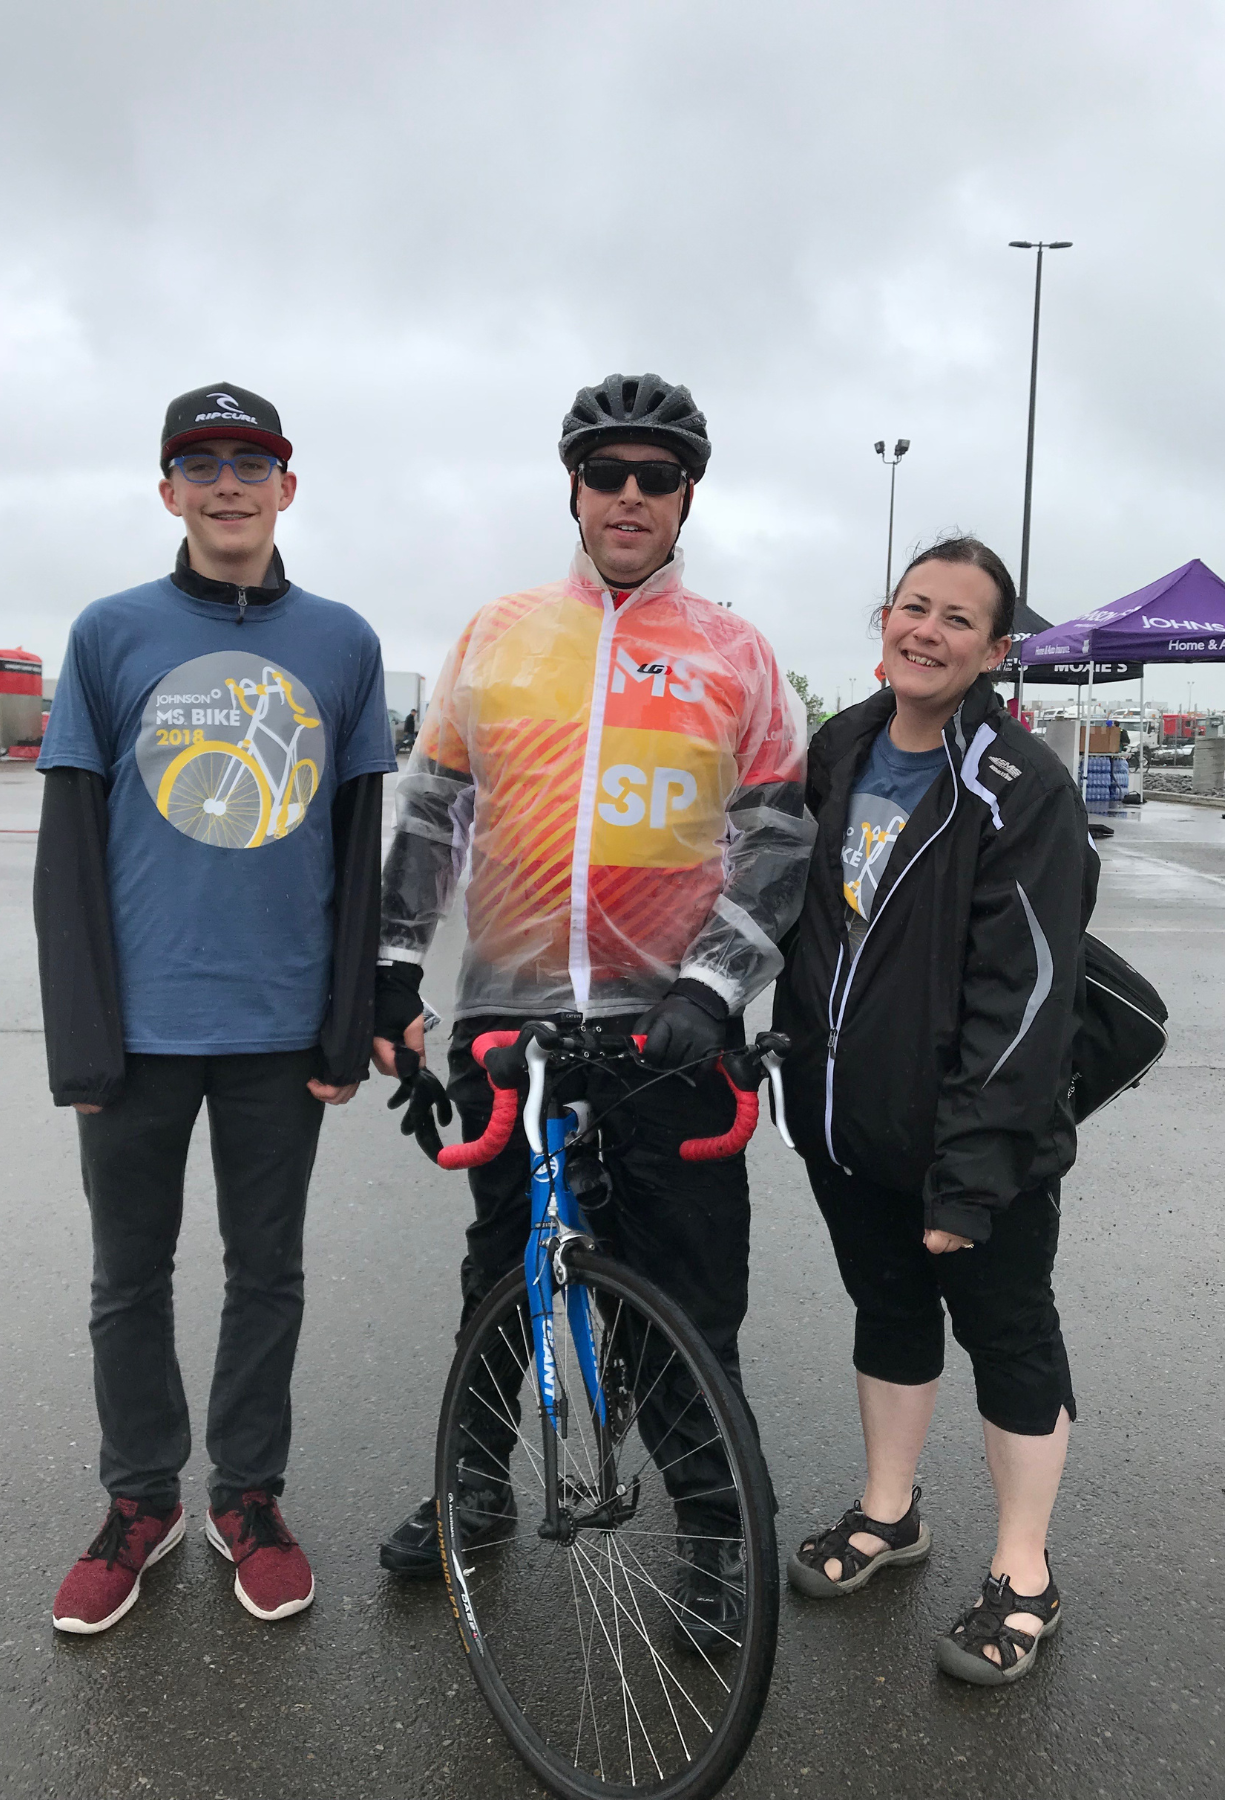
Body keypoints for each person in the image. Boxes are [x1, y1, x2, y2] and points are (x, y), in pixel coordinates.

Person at [373, 372, 812, 1638]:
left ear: (687, 501)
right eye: (607, 472)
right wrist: (397, 965)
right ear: (572, 486)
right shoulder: (497, 633)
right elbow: (432, 809)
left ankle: (716, 1526)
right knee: (504, 1260)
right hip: (510, 1014)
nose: (630, 495)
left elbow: (777, 837)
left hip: (669, 1022)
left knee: (687, 1280)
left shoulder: (735, 654)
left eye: (656, 477)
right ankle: (476, 1486)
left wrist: (713, 986)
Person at [35, 383, 397, 1634]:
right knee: (126, 1280)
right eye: (201, 464)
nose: (227, 483)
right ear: (169, 491)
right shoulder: (108, 634)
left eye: (252, 463)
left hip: (278, 1030)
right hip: (136, 1035)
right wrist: (80, 1035)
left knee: (267, 1274)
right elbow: (69, 848)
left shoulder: (342, 643)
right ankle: (143, 1501)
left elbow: (363, 856)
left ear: (287, 488)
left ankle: (248, 1494)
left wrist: (346, 1025)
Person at [774, 536, 1098, 1685]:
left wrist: (971, 1173)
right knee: (890, 1310)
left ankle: (1024, 1573)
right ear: (884, 617)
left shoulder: (1024, 787)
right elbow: (798, 915)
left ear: (997, 650)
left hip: (979, 1146)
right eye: (915, 607)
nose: (929, 631)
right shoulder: (843, 746)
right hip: (847, 1127)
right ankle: (889, 1513)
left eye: (961, 620)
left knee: (1007, 1336)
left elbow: (1029, 1000)